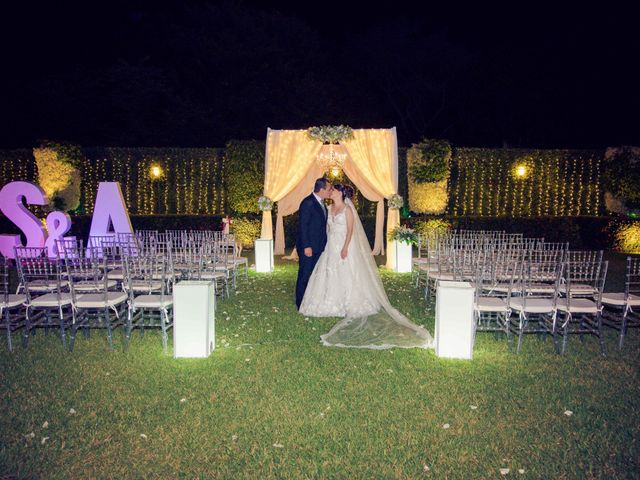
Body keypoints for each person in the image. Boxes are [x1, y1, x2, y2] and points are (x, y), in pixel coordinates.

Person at [299, 184, 433, 349]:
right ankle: (328, 300)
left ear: (342, 193)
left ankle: (347, 301)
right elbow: (327, 228)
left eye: (334, 189)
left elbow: (350, 231)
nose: (331, 191)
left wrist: (345, 247)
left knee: (346, 273)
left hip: (342, 245)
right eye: (331, 189)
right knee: (329, 273)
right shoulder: (329, 207)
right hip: (330, 246)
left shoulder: (347, 210)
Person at [295, 178, 333, 310]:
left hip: (320, 245)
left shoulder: (323, 203)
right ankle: (300, 303)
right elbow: (303, 226)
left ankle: (311, 298)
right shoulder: (308, 203)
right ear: (321, 189)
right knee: (305, 273)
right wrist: (306, 246)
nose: (330, 191)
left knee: (316, 273)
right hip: (309, 247)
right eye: (329, 189)